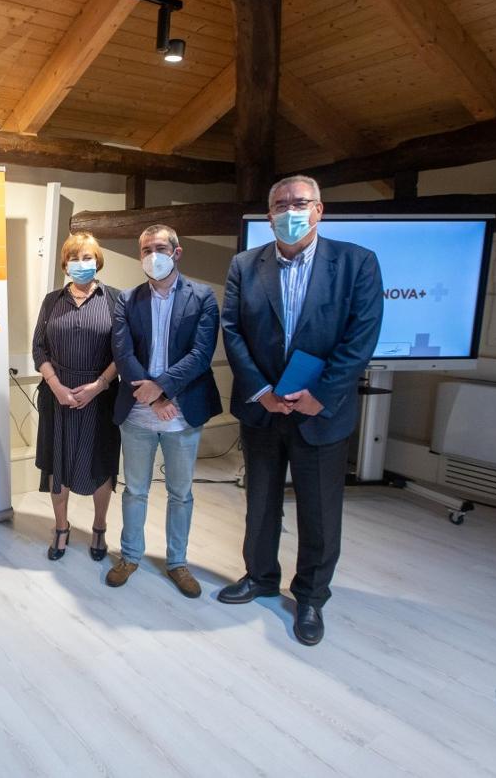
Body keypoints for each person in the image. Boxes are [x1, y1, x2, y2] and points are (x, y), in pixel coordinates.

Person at [218, 175, 382, 647]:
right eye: (280, 205)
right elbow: (233, 331)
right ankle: (260, 576)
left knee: (320, 511)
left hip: (320, 412)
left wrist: (321, 395)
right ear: (269, 215)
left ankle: (310, 596)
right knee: (260, 501)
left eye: (300, 203)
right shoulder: (245, 265)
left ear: (318, 210)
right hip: (263, 408)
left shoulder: (356, 263)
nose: (290, 211)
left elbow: (361, 337)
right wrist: (261, 390)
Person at [106, 225, 222, 597]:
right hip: (139, 410)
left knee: (180, 493)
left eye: (159, 248)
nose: (152, 255)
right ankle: (129, 557)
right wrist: (154, 398)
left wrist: (164, 388)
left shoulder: (202, 297)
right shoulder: (126, 299)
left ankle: (177, 563)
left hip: (183, 410)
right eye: (145, 250)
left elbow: (201, 355)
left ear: (176, 252)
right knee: (135, 490)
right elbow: (123, 353)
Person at [32, 232, 121, 562]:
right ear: (65, 265)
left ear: (97, 261)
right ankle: (61, 527)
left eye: (87, 257)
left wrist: (99, 385)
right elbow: (38, 348)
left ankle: (99, 527)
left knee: (100, 464)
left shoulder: (115, 299)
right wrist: (56, 386)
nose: (80, 263)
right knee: (59, 464)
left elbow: (124, 351)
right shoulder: (51, 301)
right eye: (74, 258)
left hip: (101, 397)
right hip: (58, 397)